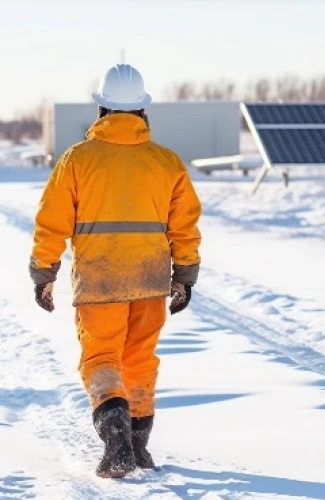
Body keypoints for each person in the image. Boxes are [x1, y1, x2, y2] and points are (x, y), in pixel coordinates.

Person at [29, 64, 202, 478]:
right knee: (140, 358)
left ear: (102, 108)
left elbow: (51, 221)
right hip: (150, 279)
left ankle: (117, 443)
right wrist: (186, 274)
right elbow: (185, 225)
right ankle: (139, 447)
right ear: (143, 110)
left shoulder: (77, 160)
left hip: (99, 280)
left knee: (101, 356)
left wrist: (44, 272)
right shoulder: (166, 162)